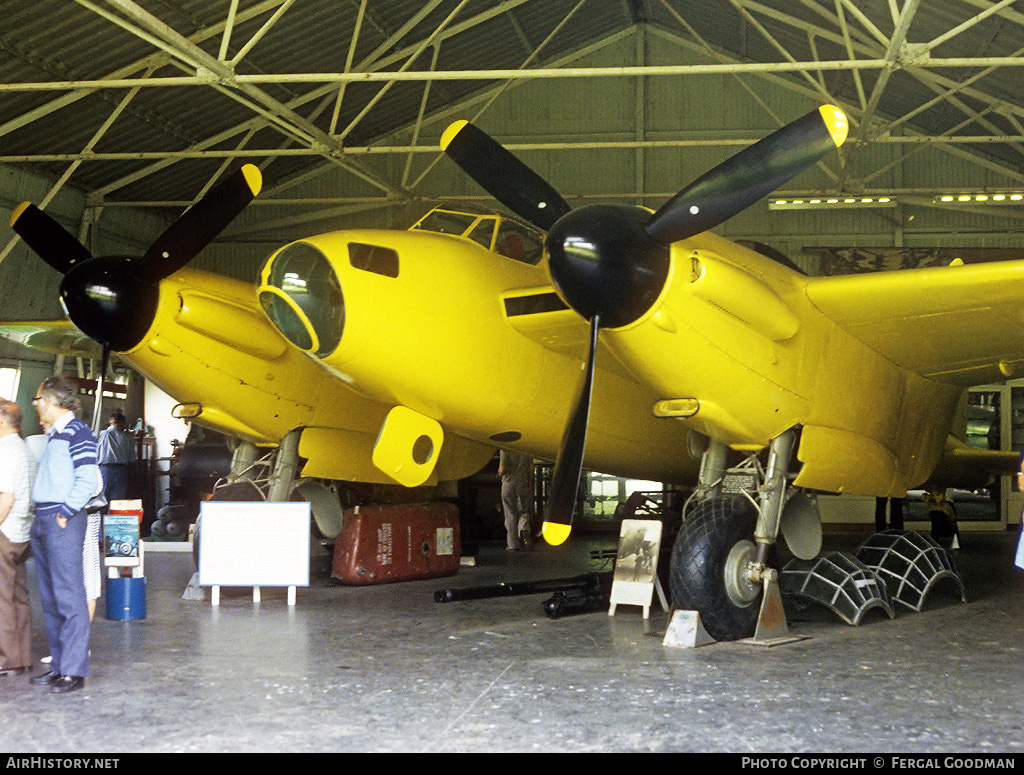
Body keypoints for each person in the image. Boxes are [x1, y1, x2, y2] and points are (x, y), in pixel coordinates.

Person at [29, 376, 99, 694]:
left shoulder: (78, 432)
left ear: (51, 401)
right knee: (50, 598)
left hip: (61, 520)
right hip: (43, 518)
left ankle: (73, 670)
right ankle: (58, 665)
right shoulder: (55, 434)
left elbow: (89, 479)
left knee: (69, 595)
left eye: (38, 400)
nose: (36, 406)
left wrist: (65, 512)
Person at [0, 401, 38, 676]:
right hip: (23, 533)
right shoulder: (25, 449)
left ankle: (7, 659)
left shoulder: (5, 451)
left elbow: (6, 498)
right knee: (18, 596)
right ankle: (22, 657)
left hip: (5, 531)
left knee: (2, 598)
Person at [97, 409, 136, 504]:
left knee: (101, 500)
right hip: (121, 471)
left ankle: (100, 518)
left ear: (111, 422)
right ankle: (113, 518)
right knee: (117, 502)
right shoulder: (128, 438)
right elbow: (132, 458)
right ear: (122, 423)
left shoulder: (102, 434)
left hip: (105, 470)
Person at [498, 449, 533, 551]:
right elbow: (531, 468)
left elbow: (502, 468)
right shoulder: (525, 447)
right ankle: (524, 530)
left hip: (508, 482)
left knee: (510, 513)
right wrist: (529, 483)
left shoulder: (505, 449)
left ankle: (513, 545)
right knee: (523, 510)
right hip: (522, 482)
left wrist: (499, 473)